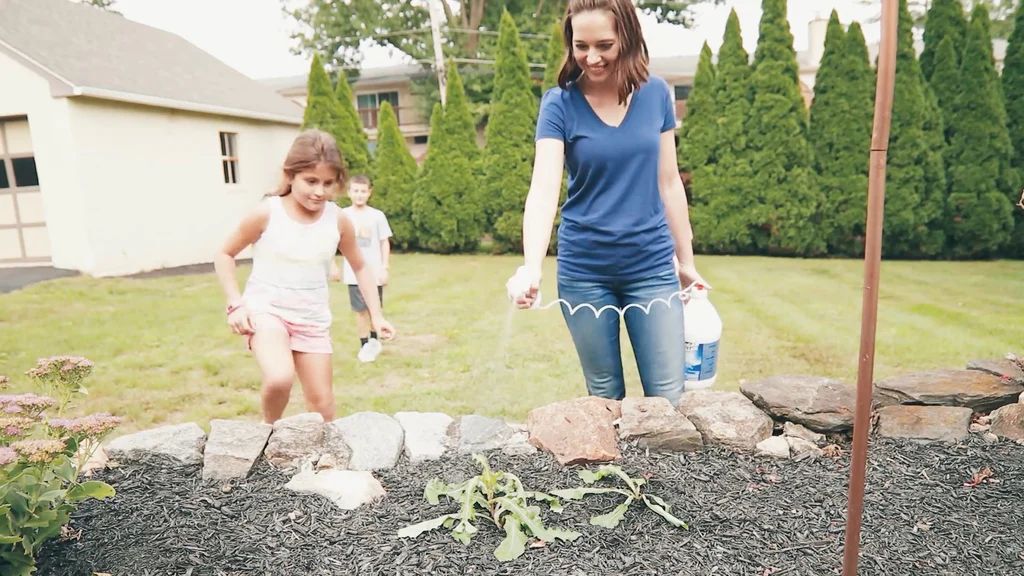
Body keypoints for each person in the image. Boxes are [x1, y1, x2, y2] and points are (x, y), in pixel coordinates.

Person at [507, 0, 708, 407]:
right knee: (604, 398)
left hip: (651, 265)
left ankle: (662, 473)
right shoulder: (559, 103)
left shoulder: (655, 94)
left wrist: (685, 263)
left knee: (668, 398)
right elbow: (544, 190)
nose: (592, 57)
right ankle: (614, 473)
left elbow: (670, 183)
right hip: (585, 270)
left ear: (628, 39)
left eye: (605, 44)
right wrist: (531, 267)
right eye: (581, 46)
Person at [214, 129, 395, 424]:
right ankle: (267, 431)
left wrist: (376, 315)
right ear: (290, 175)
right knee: (279, 378)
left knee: (323, 406)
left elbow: (360, 266)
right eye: (310, 181)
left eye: (328, 183)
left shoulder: (337, 219)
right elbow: (224, 254)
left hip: (312, 318)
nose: (319, 192)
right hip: (267, 310)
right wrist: (236, 303)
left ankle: (323, 463)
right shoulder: (266, 213)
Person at [331, 174, 393, 363]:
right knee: (360, 311)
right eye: (356, 191)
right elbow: (332, 241)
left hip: (373, 273)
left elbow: (384, 242)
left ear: (369, 193)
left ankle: (375, 341)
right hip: (353, 274)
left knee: (374, 308)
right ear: (349, 193)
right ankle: (364, 343)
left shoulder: (377, 216)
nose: (359, 195)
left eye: (363, 191)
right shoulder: (343, 216)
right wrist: (332, 264)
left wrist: (384, 267)